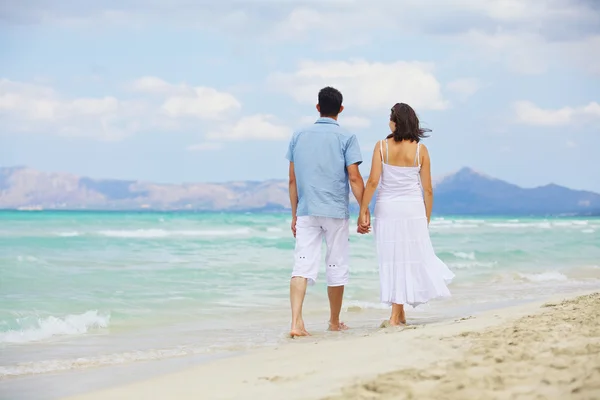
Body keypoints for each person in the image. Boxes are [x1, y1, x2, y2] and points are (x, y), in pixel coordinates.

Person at [358, 103, 454, 326]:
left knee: (392, 258)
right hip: (413, 209)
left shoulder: (382, 146)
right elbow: (427, 189)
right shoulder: (421, 150)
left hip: (388, 208)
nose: (388, 121)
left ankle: (395, 315)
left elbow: (372, 182)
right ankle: (399, 315)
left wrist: (363, 210)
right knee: (407, 258)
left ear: (396, 121)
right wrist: (426, 218)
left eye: (390, 117)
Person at [286, 86, 369, 338]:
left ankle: (296, 323)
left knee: (301, 265)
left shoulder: (298, 135)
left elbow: (292, 180)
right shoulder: (346, 137)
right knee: (336, 264)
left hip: (306, 210)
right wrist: (364, 210)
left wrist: (294, 215)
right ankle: (334, 322)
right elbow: (354, 177)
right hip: (334, 210)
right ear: (340, 109)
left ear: (318, 107)